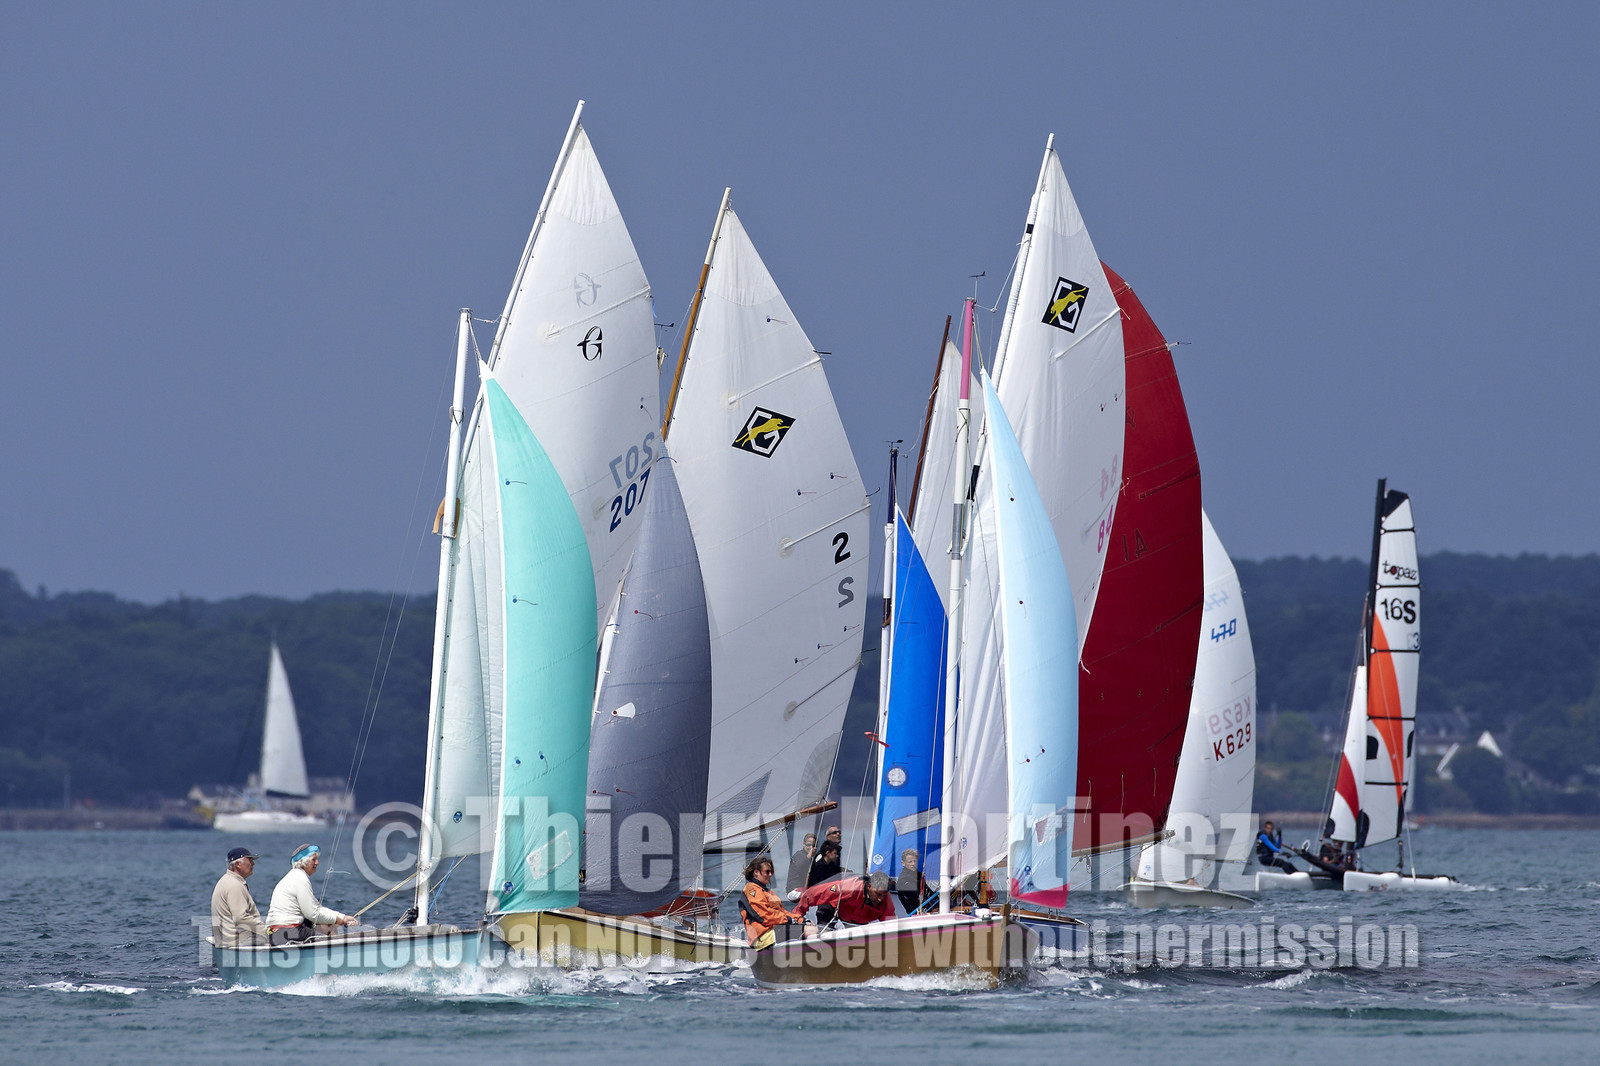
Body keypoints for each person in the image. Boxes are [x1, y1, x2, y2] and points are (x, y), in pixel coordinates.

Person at [265, 843, 358, 945]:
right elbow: (312, 913)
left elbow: (317, 908)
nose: (317, 863)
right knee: (328, 938)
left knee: (324, 924)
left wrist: (342, 917)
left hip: (277, 933)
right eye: (313, 859)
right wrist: (338, 919)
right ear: (303, 862)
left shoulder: (294, 876)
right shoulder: (300, 878)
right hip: (287, 932)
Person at [210, 846, 270, 947]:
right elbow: (241, 918)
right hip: (238, 941)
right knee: (281, 937)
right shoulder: (234, 885)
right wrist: (266, 930)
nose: (253, 864)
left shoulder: (226, 880)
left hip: (225, 940)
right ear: (238, 864)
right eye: (250, 860)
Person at [739, 856, 803, 945]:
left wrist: (799, 919)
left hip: (774, 931)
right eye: (767, 872)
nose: (770, 875)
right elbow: (763, 916)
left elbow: (782, 912)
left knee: (811, 927)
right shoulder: (751, 890)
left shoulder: (768, 892)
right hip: (761, 936)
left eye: (771, 872)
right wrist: (789, 920)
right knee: (809, 930)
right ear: (756, 872)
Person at [794, 871, 893, 927]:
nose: (880, 899)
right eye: (878, 894)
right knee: (825, 933)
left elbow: (890, 924)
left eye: (883, 895)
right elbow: (811, 894)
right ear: (869, 886)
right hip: (832, 907)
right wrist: (797, 915)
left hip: (855, 919)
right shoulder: (849, 887)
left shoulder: (885, 899)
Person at [806, 839, 846, 925]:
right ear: (828, 853)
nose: (837, 856)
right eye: (835, 853)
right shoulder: (820, 866)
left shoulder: (829, 863)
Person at [895, 848, 929, 914]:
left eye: (915, 861)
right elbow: (915, 897)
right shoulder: (903, 879)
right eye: (910, 862)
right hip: (915, 912)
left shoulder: (919, 875)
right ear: (903, 863)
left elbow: (928, 891)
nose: (913, 864)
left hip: (926, 908)